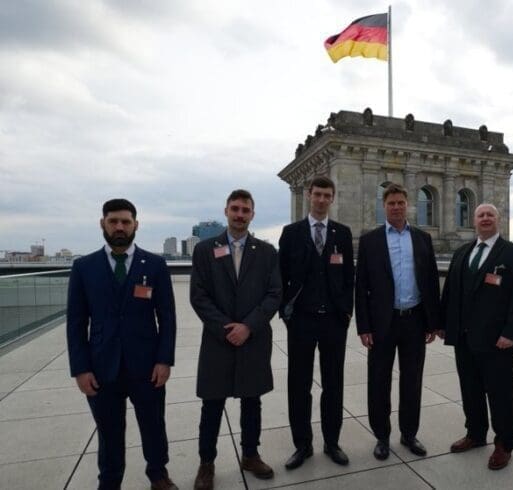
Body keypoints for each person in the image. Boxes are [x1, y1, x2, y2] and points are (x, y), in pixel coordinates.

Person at [67, 198, 177, 490]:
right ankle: (110, 481)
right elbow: (76, 323)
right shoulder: (84, 267)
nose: (119, 227)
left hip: (147, 366)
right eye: (113, 221)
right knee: (109, 431)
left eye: (125, 222)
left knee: (154, 425)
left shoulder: (155, 265)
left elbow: (167, 317)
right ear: (102, 224)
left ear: (135, 225)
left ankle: (158, 474)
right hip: (101, 367)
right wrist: (80, 369)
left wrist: (164, 360)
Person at [190, 189, 282, 489]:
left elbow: (274, 294)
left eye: (245, 210)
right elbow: (198, 296)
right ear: (226, 211)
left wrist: (249, 327)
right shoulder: (205, 250)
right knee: (212, 404)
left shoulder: (267, 252)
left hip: (254, 338)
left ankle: (250, 455)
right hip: (218, 339)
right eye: (235, 209)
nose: (240, 215)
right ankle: (206, 463)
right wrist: (226, 328)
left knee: (252, 400)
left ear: (252, 214)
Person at [439, 203, 513, 470]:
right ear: (473, 220)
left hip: (497, 341)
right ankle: (475, 433)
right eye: (480, 215)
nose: (485, 218)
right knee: (470, 390)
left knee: (500, 393)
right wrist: (443, 324)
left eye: (490, 214)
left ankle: (504, 443)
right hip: (464, 338)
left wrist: (511, 333)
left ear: (498, 220)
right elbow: (450, 292)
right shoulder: (462, 253)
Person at [355, 183, 441, 460]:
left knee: (412, 380)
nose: (396, 207)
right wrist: (364, 326)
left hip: (414, 320)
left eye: (400, 203)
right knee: (378, 380)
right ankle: (382, 436)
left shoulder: (422, 238)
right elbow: (361, 287)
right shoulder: (370, 241)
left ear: (408, 205)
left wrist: (433, 322)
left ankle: (409, 433)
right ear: (384, 206)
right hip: (383, 322)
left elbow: (430, 281)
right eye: (391, 203)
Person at [278, 176, 355, 469]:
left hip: (334, 321)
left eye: (327, 195)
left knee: (333, 383)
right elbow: (281, 276)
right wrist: (286, 312)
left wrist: (346, 312)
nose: (322, 200)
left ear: (332, 198)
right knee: (299, 384)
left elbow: (349, 277)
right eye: (317, 194)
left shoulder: (342, 234)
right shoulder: (291, 233)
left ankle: (332, 442)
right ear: (309, 195)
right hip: (301, 321)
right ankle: (302, 444)